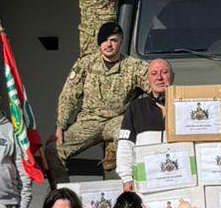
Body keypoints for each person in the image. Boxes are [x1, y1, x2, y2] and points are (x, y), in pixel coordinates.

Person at [52, 24, 150, 179]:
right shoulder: (86, 64)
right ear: (99, 43)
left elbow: (155, 84)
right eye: (104, 41)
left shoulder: (133, 66)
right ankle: (61, 194)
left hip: (117, 120)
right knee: (53, 150)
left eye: (113, 40)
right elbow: (69, 95)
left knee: (127, 142)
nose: (108, 45)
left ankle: (131, 191)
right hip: (89, 121)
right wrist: (61, 124)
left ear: (121, 42)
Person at [116, 58, 174, 190]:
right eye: (154, 74)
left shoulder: (184, 104)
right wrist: (126, 178)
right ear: (148, 79)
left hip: (178, 180)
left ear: (172, 77)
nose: (159, 77)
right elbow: (125, 145)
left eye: (164, 72)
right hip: (146, 183)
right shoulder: (136, 108)